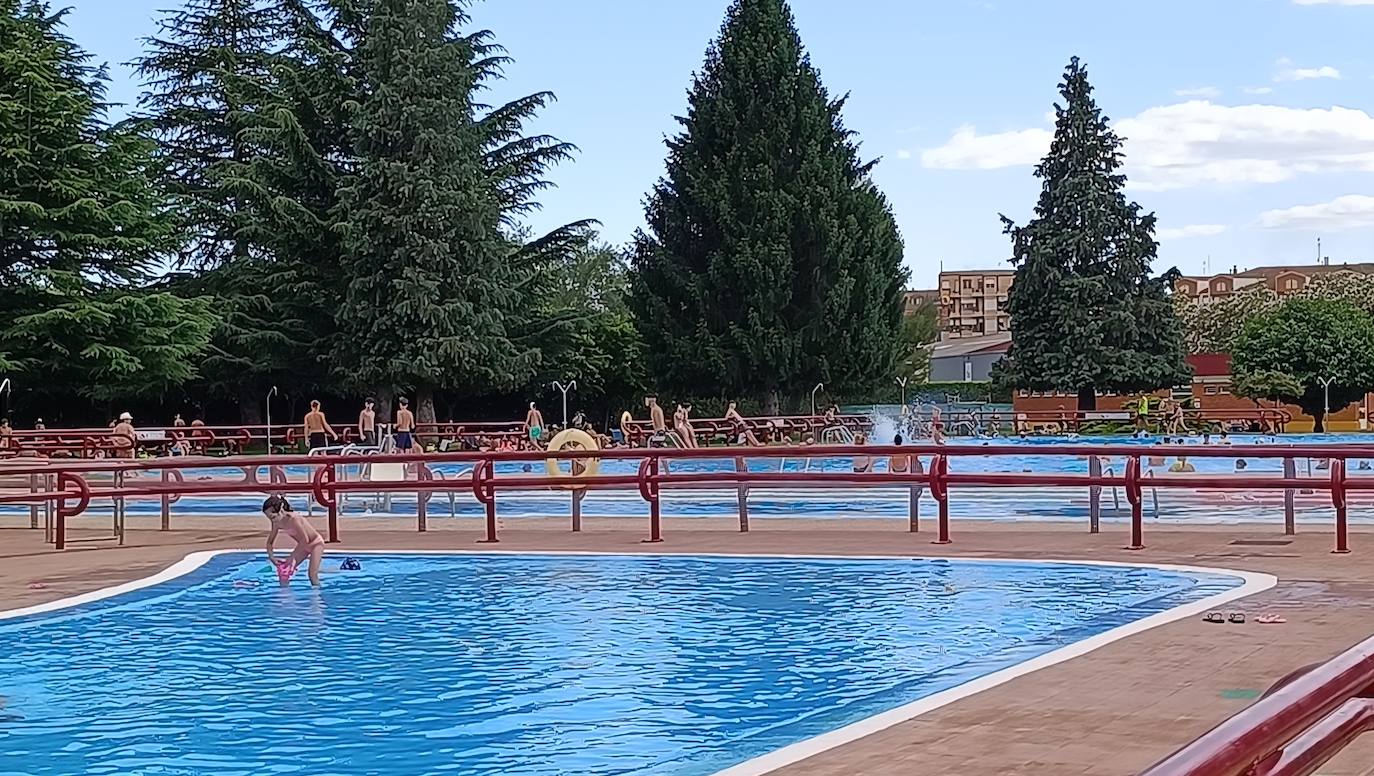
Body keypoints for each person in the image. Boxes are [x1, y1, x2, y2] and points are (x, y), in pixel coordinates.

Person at [261, 495, 324, 587]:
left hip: (315, 544)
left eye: (273, 517)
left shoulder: (294, 519)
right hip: (303, 547)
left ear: (281, 510)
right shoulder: (276, 523)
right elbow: (270, 542)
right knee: (284, 572)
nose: (272, 520)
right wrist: (272, 557)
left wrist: (292, 558)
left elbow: (305, 539)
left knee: (312, 575)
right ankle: (284, 596)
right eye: (269, 518)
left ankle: (317, 598)